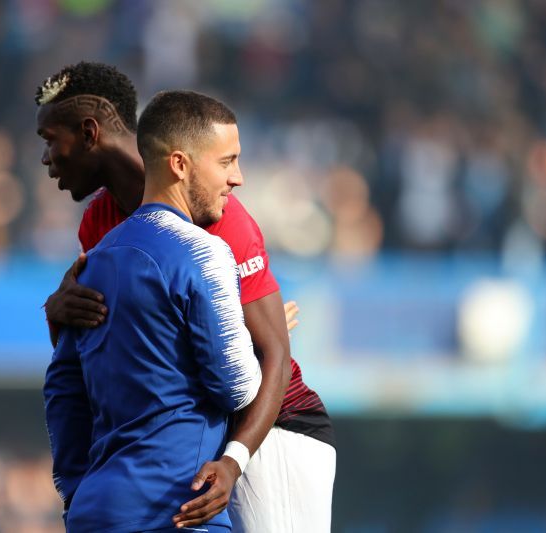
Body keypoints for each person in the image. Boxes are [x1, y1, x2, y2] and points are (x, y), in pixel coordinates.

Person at [37, 62, 336, 531]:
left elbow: (272, 354)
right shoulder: (98, 224)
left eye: (51, 140)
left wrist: (236, 459)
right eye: (228, 162)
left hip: (271, 429)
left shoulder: (221, 219)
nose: (46, 157)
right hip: (192, 447)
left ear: (90, 132)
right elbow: (104, 355)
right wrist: (57, 315)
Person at [44, 90, 262, 532]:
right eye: (226, 162)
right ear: (180, 165)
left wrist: (77, 490)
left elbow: (62, 391)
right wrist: (252, 339)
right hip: (178, 508)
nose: (237, 178)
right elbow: (236, 387)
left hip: (97, 511)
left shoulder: (91, 262)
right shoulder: (204, 252)